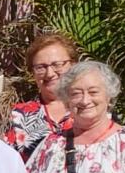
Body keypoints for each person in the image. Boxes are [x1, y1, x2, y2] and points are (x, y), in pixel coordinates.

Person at [6, 32, 76, 161]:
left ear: (73, 65)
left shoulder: (90, 109)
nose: (49, 73)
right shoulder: (17, 116)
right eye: (41, 67)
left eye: (57, 64)